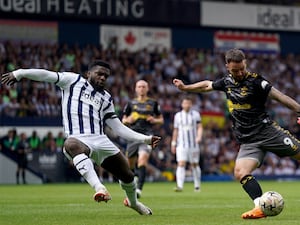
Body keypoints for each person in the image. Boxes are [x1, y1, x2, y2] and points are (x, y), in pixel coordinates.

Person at [1, 60, 161, 215]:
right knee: (69, 144)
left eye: (106, 76)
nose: (103, 78)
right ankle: (99, 188)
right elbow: (45, 75)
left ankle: (133, 203)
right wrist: (20, 73)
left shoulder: (106, 98)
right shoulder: (73, 81)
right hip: (79, 138)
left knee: (127, 175)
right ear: (88, 73)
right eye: (99, 74)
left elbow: (118, 127)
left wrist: (145, 139)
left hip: (101, 140)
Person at [173, 48, 300, 219]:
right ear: (227, 67)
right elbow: (206, 85)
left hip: (267, 132)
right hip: (248, 140)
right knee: (240, 172)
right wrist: (185, 87)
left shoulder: (256, 82)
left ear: (245, 63)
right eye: (235, 70)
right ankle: (259, 207)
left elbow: (280, 96)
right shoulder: (226, 82)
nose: (240, 73)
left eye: (242, 68)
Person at [122, 80, 164, 198]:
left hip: (147, 136)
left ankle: (139, 189)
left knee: (142, 160)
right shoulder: (130, 103)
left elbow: (161, 120)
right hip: (132, 136)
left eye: (143, 86)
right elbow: (123, 120)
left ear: (147, 88)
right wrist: (127, 120)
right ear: (136, 89)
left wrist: (154, 120)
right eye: (139, 87)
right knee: (130, 165)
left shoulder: (153, 103)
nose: (141, 89)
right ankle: (134, 180)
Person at [171, 96, 203, 192]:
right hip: (181, 144)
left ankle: (197, 185)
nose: (187, 105)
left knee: (194, 164)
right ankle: (179, 185)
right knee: (181, 163)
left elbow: (200, 127)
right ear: (182, 104)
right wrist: (173, 143)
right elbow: (175, 130)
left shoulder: (195, 114)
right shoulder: (178, 116)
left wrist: (199, 137)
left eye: (188, 103)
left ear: (191, 104)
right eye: (185, 103)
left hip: (193, 144)